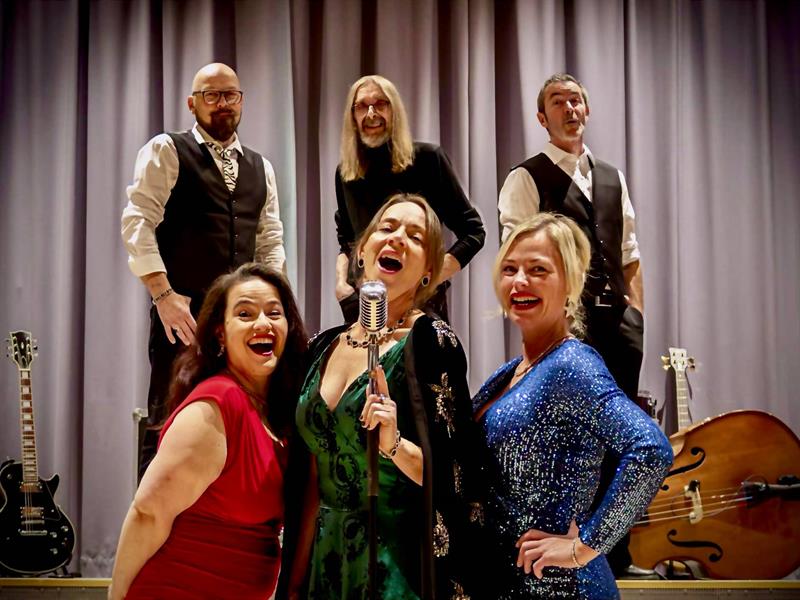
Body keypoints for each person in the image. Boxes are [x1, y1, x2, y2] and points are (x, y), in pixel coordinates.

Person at [280, 194, 482, 600]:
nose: (397, 239)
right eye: (387, 228)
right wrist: (294, 584)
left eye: (415, 236)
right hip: (326, 562)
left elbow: (454, 475)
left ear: (429, 272)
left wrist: (393, 444)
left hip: (396, 568)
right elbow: (311, 482)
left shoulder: (431, 342)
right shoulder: (321, 346)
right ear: (361, 252)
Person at [472, 214, 672, 599]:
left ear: (570, 282)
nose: (519, 281)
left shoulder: (572, 365)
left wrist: (584, 547)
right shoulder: (512, 371)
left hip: (564, 588)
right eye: (510, 269)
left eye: (538, 270)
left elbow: (651, 450)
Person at [497, 73, 646, 575]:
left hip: (618, 324)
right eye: (558, 102)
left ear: (587, 110)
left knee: (622, 439)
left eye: (576, 100)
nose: (570, 108)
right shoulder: (526, 177)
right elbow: (518, 254)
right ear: (543, 118)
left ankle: (616, 555)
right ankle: (567, 549)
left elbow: (629, 253)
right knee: (574, 443)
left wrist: (636, 313)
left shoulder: (612, 176)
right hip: (567, 326)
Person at [121, 62, 286, 475]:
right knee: (168, 422)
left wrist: (274, 306)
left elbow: (269, 241)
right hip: (184, 318)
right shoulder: (167, 150)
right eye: (211, 95)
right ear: (192, 104)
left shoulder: (261, 167)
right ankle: (152, 514)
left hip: (242, 322)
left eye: (230, 95)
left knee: (240, 421)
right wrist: (163, 296)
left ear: (241, 101)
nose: (222, 103)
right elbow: (138, 221)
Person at [108, 263, 308, 600]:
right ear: (220, 334)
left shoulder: (274, 412)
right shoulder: (216, 405)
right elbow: (147, 513)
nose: (263, 323)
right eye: (245, 314)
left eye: (274, 313)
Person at [334, 74, 485, 323]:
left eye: (380, 104)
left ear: (395, 110)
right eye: (362, 106)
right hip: (364, 305)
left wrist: (424, 280)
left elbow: (473, 232)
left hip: (420, 307)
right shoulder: (346, 174)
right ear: (352, 116)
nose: (371, 113)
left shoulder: (428, 160)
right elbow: (347, 242)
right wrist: (342, 286)